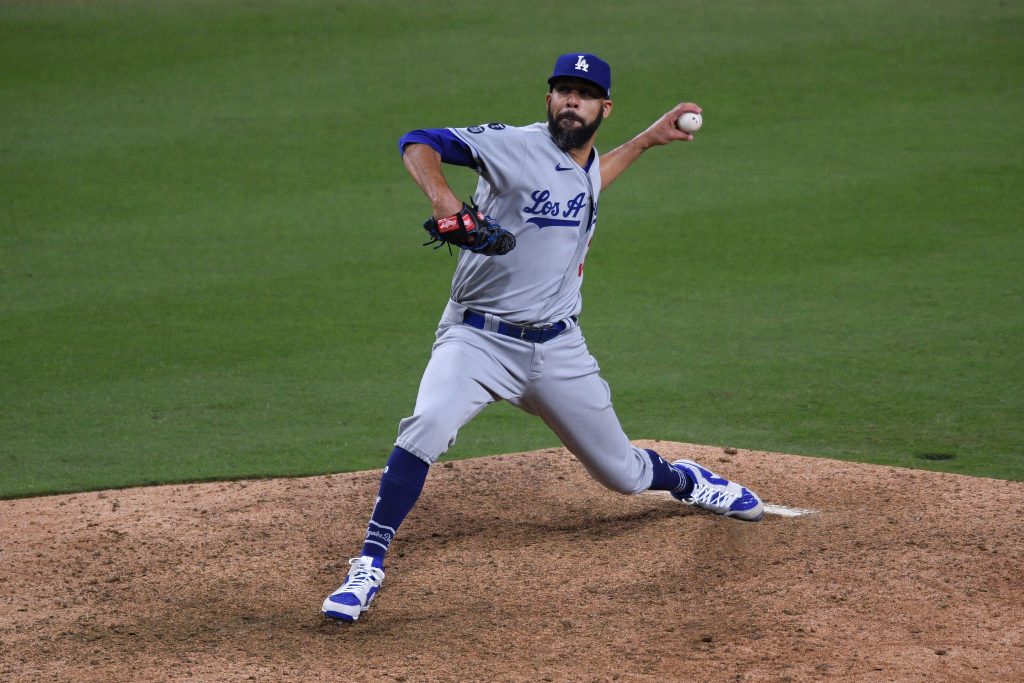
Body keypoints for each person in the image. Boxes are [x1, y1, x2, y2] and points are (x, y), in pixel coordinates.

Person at [322, 53, 764, 622]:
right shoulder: (515, 146)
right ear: (549, 99)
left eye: (583, 93)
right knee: (426, 425)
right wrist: (445, 200)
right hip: (477, 341)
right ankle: (368, 565)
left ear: (604, 107)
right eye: (562, 90)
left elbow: (587, 185)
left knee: (622, 475)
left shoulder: (583, 163)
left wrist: (647, 142)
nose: (570, 101)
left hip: (558, 350)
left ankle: (684, 478)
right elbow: (419, 141)